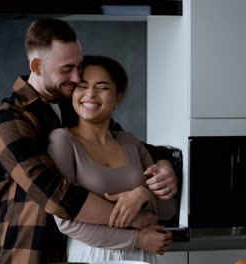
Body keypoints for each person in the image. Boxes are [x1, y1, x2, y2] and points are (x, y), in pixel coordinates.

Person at [0, 18, 178, 264]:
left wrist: (164, 163)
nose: (76, 77)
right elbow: (57, 194)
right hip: (31, 255)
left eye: (79, 66)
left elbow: (129, 145)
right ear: (36, 65)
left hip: (79, 252)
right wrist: (135, 221)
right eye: (67, 69)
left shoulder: (72, 106)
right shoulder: (9, 121)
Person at [48, 55, 175, 263]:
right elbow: (66, 222)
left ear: (117, 97)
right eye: (82, 86)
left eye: (102, 87)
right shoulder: (63, 140)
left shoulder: (130, 141)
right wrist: (137, 239)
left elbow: (167, 209)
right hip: (91, 255)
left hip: (142, 256)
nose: (90, 94)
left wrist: (142, 194)